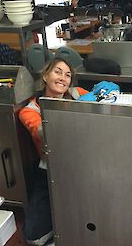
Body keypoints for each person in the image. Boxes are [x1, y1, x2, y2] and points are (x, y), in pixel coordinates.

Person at [19, 58, 88, 245]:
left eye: (68, 75)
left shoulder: (77, 93)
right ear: (45, 76)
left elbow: (103, 99)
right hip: (50, 170)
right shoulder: (30, 110)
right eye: (58, 72)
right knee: (34, 237)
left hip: (82, 165)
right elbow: (41, 130)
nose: (63, 78)